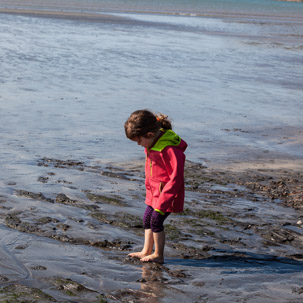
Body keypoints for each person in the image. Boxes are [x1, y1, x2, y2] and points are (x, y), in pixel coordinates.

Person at [124, 109, 187, 264]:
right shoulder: (152, 144)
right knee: (147, 219)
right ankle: (146, 250)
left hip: (167, 195)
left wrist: (164, 200)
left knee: (156, 221)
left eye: (138, 140)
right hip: (155, 194)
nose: (138, 144)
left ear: (150, 134)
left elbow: (176, 179)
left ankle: (158, 255)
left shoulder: (169, 149)